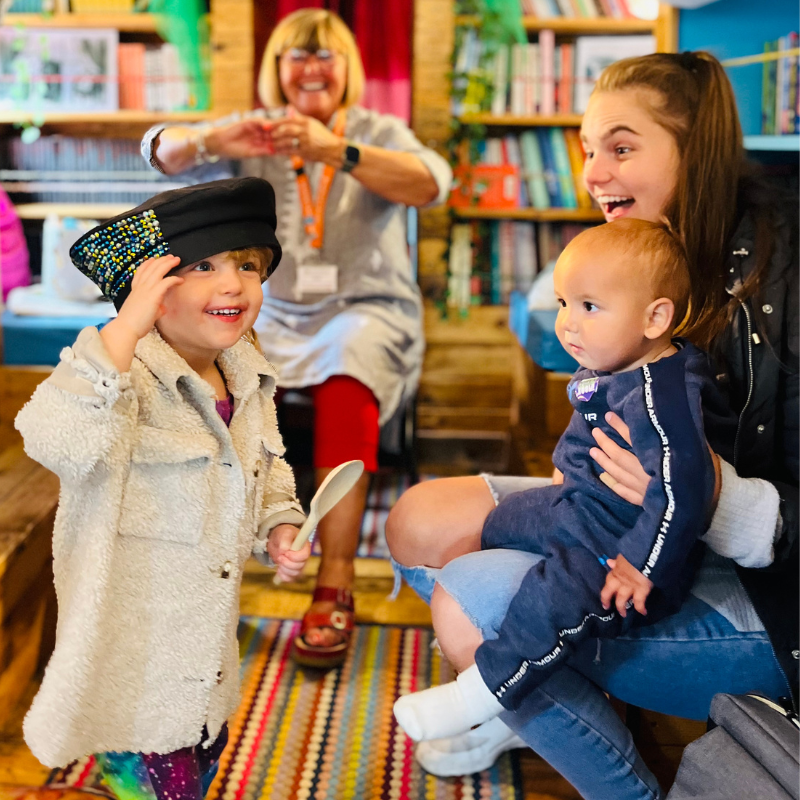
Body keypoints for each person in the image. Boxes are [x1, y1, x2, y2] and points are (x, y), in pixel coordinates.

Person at [386, 51, 798, 800]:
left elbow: (706, 485)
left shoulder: (782, 272)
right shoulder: (654, 244)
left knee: (469, 595)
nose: (594, 174)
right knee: (419, 519)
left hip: (760, 588)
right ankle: (536, 698)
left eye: (621, 147)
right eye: (586, 150)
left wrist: (703, 497)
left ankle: (553, 715)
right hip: (629, 511)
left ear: (693, 148)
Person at [141, 8, 452, 668]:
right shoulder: (251, 134)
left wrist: (335, 150)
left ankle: (334, 582)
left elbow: (431, 183)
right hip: (270, 314)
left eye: (326, 55)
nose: (311, 68)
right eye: (295, 56)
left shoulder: (374, 132)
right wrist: (213, 139)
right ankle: (212, 576)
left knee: (349, 374)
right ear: (275, 70)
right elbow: (157, 153)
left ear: (349, 69)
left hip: (362, 308)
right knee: (215, 392)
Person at [16, 178, 312, 797]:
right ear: (150, 290)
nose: (233, 283)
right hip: (134, 663)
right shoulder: (118, 372)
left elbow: (269, 469)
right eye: (203, 265)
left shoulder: (248, 376)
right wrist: (124, 329)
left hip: (206, 655)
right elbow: (54, 438)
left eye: (248, 266)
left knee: (203, 759)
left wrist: (279, 523)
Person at [393, 219, 734, 742]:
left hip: (617, 547)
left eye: (589, 307)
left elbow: (681, 494)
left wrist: (640, 569)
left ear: (655, 317)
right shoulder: (615, 361)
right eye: (562, 303)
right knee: (501, 520)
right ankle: (476, 625)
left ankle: (486, 688)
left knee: (555, 595)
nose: (567, 325)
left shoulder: (664, 395)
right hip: (578, 506)